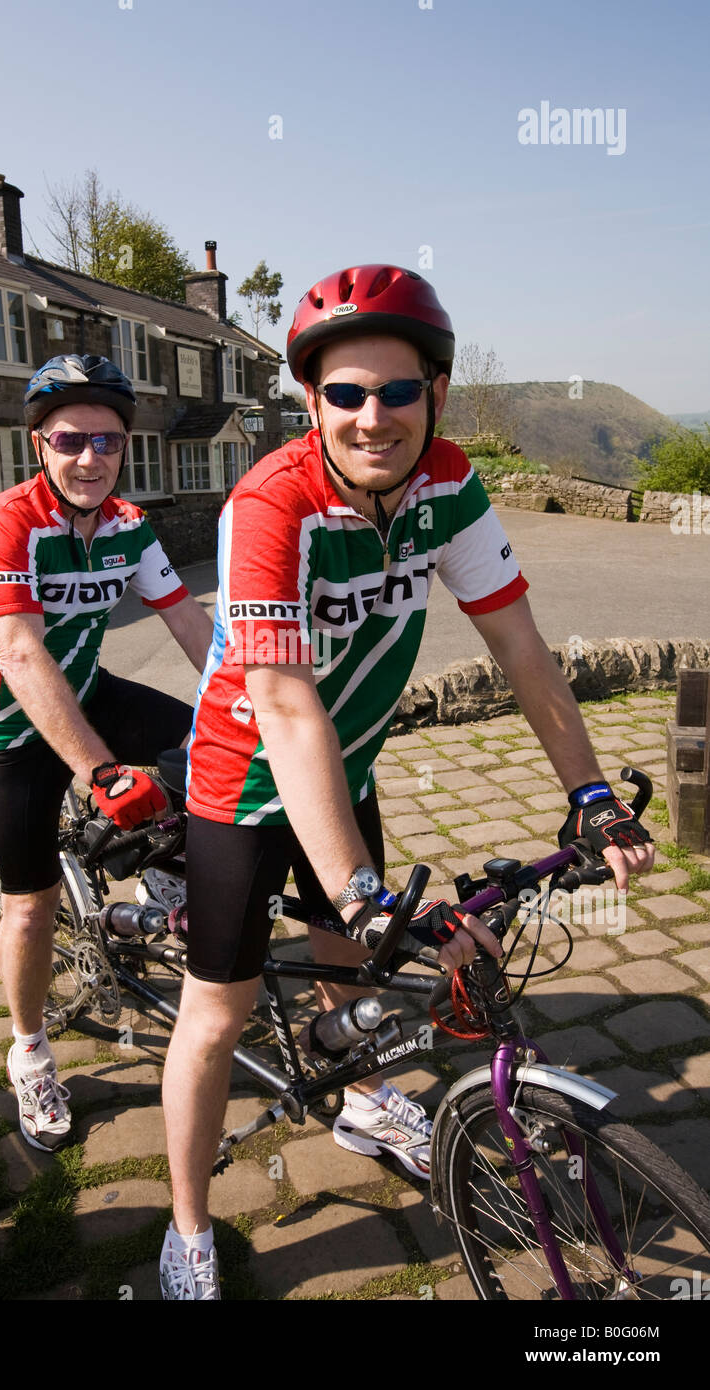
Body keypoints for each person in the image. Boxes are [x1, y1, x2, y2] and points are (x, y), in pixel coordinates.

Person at [157, 264, 654, 1300]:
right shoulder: (268, 508)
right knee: (219, 1004)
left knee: (358, 971)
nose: (370, 416)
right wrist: (360, 887)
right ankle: (190, 1225)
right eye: (343, 393)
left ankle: (362, 1095)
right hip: (243, 778)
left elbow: (520, 650)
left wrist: (589, 794)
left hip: (348, 764)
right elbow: (285, 710)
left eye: (396, 391)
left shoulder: (448, 485)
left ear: (434, 391)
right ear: (309, 401)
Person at [0, 354, 213, 1153]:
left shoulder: (130, 527)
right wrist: (100, 772)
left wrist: (265, 704)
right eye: (71, 440)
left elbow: (191, 625)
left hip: (87, 688)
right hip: (6, 725)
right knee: (30, 905)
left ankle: (164, 865)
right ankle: (30, 1050)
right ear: (40, 443)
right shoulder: (6, 523)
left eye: (108, 443)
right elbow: (24, 656)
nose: (90, 459)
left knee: (206, 743)